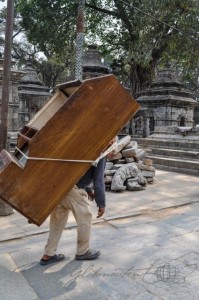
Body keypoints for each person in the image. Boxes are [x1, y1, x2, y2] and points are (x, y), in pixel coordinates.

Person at [39, 157, 106, 265]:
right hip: (72, 190)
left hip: (59, 186)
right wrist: (101, 203)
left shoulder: (85, 146)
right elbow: (99, 181)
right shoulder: (102, 154)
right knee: (85, 217)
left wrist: (88, 190)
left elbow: (82, 172)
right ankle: (82, 251)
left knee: (57, 223)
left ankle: (48, 254)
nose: (113, 153)